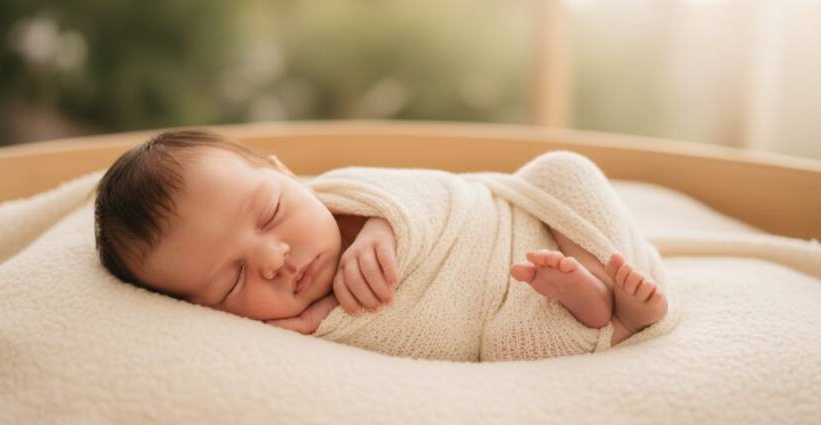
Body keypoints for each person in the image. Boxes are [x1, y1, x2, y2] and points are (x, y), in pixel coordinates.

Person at [94, 129, 667, 356]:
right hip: (508, 303)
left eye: (270, 213)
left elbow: (440, 191)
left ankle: (606, 274)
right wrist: (330, 321)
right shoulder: (293, 333)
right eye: (231, 281)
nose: (273, 259)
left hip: (516, 228)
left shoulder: (349, 193)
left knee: (561, 169)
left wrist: (387, 226)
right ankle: (608, 319)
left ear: (285, 173)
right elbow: (426, 335)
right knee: (514, 343)